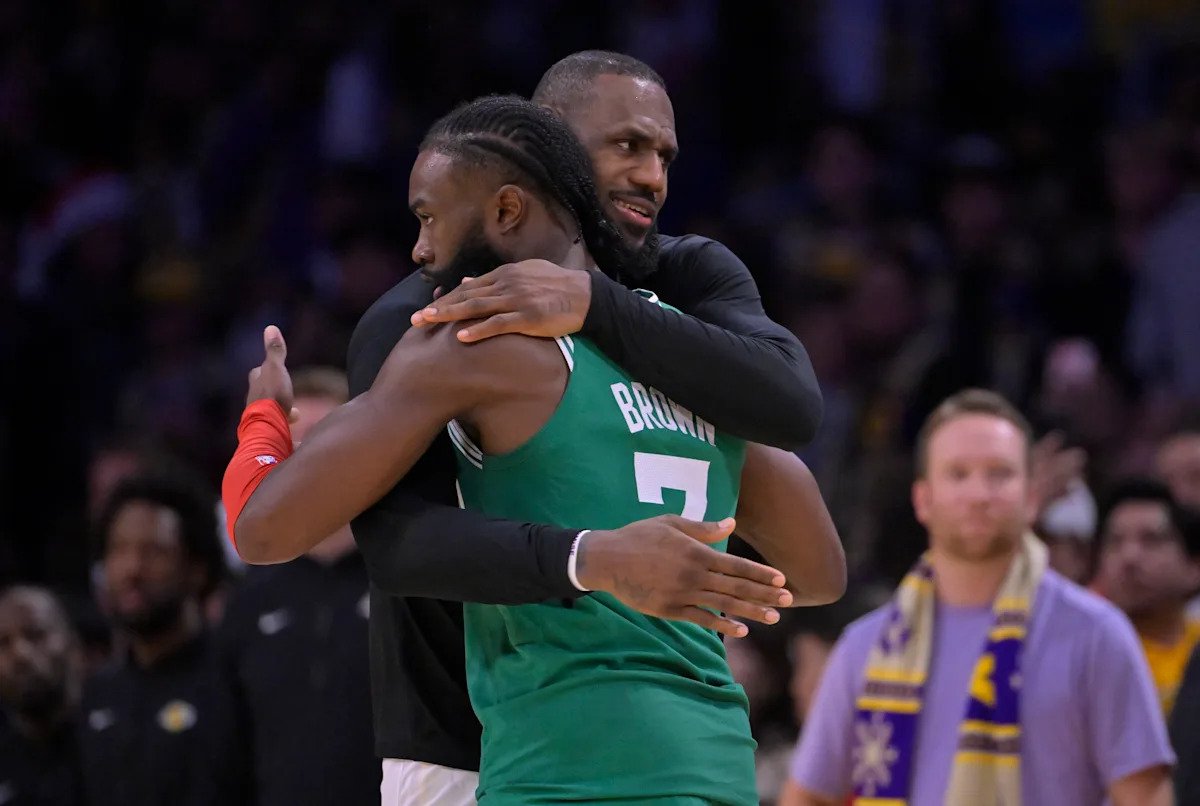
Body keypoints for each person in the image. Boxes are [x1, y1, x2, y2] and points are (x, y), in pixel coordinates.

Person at [223, 95, 845, 804]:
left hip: (559, 768)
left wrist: (266, 422)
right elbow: (820, 572)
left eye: (428, 218)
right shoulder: (695, 358)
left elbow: (263, 528)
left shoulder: (467, 341)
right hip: (712, 767)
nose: (420, 250)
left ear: (507, 212)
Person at [782, 389, 1174, 806]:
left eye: (999, 474)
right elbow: (807, 796)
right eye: (958, 474)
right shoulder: (865, 645)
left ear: (1032, 497)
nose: (979, 494)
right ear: (923, 499)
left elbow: (1146, 795)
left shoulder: (1096, 634)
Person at [210, 367, 377, 805]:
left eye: (324, 438)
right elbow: (227, 752)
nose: (307, 456)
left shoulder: (404, 579)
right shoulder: (248, 602)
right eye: (292, 443)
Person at [80, 470, 232, 806]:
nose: (132, 568)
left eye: (154, 551)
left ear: (197, 569)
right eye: (119, 549)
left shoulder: (236, 682)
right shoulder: (97, 694)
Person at [1091, 477, 1200, 716]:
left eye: (1151, 540)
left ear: (1194, 566)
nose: (1129, 557)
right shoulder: (1084, 654)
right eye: (1115, 541)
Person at [0, 585, 84, 806]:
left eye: (35, 635)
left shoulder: (115, 741)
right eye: (3, 643)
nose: (20, 654)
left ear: (72, 645)